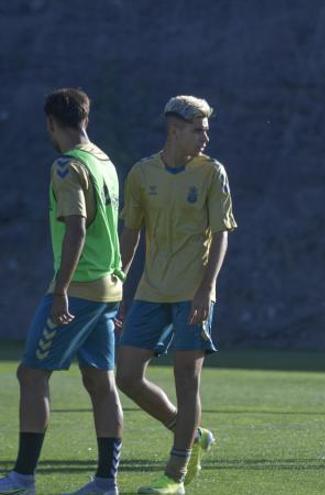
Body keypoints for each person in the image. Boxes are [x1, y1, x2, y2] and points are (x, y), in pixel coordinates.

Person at [0, 88, 124, 495]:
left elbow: (77, 227)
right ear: (85, 118)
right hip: (108, 289)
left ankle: (22, 478)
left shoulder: (67, 167)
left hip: (80, 289)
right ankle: (106, 481)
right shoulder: (104, 162)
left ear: (51, 122)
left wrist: (61, 291)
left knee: (31, 374)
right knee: (100, 382)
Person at [115, 96, 236, 494]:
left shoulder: (212, 172)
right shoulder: (140, 173)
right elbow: (130, 236)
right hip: (151, 291)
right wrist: (118, 287)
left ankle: (176, 475)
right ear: (174, 130)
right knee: (128, 377)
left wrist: (206, 289)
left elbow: (221, 235)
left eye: (206, 129)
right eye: (198, 129)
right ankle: (191, 433)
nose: (205, 136)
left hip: (193, 293)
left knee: (187, 378)